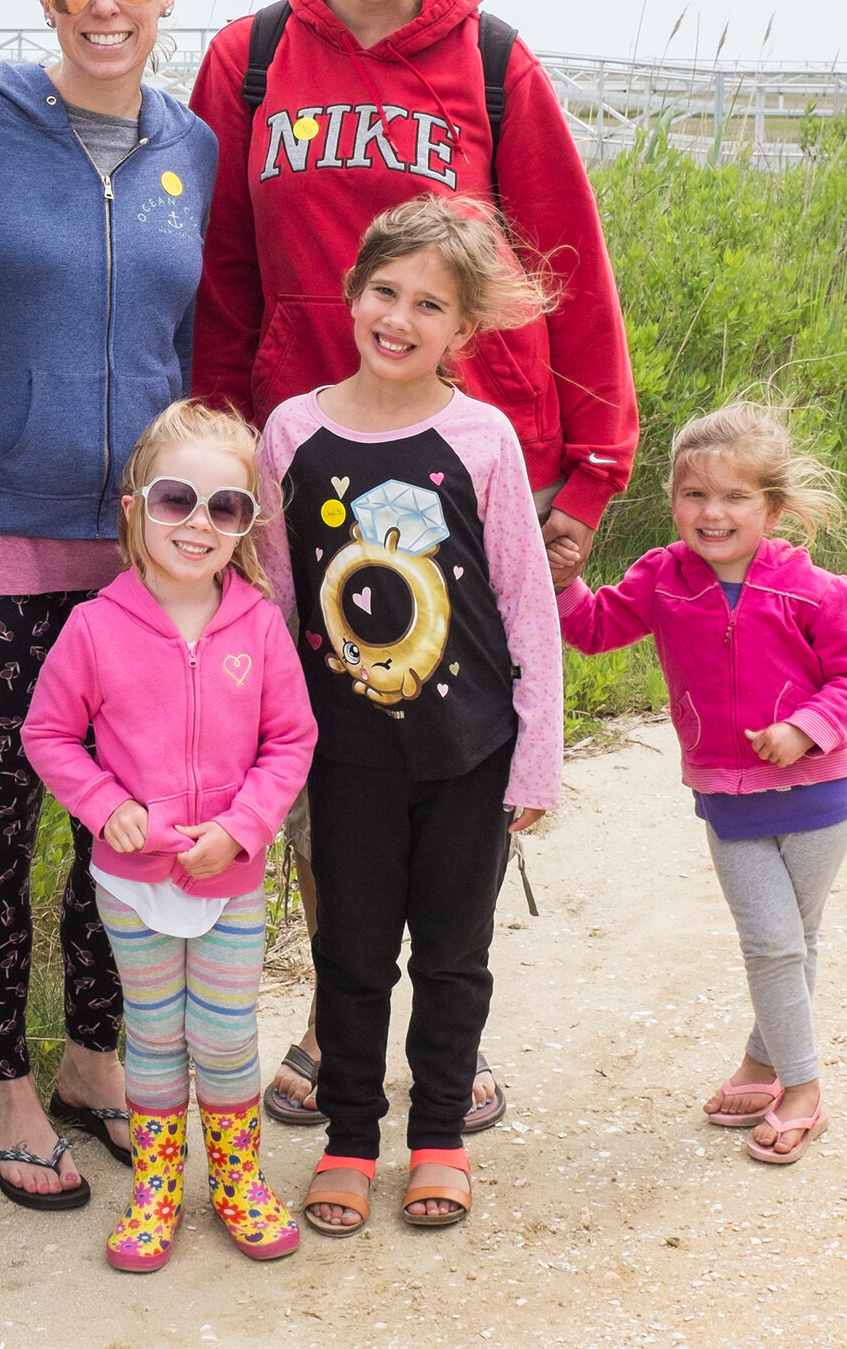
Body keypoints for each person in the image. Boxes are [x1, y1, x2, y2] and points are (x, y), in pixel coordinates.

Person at [187, 0, 638, 1131]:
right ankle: (341, 1027)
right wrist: (219, 466)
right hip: (301, 478)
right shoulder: (251, 57)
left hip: (461, 481)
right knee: (328, 758)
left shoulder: (493, 67)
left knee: (451, 754)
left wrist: (588, 476)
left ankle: (452, 1032)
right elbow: (221, 272)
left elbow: (571, 274)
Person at [0, 0, 216, 1209]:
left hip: (138, 552)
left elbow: (186, 337)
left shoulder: (190, 145)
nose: (104, 2)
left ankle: (96, 1059)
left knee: (124, 816)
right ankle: (5, 1088)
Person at [254, 197, 565, 1234]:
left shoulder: (480, 437)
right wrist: (277, 751)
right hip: (344, 757)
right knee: (346, 953)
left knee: (450, 952)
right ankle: (348, 1137)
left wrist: (534, 763)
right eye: (384, 290)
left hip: (466, 752)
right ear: (351, 294)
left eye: (428, 303)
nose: (399, 316)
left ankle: (437, 1132)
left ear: (462, 331)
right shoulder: (292, 433)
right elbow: (277, 610)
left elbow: (524, 604)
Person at [22, 400, 315, 1270]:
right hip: (131, 881)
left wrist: (243, 826)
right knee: (151, 1034)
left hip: (229, 876)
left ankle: (237, 1181)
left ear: (247, 524)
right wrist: (103, 802)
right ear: (133, 505)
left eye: (225, 508)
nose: (198, 524)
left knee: (224, 1036)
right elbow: (47, 734)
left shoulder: (258, 626)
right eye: (176, 499)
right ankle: (156, 1186)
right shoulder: (94, 627)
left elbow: (290, 739)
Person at [555, 402, 847, 1165]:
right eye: (694, 494)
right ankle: (792, 1080)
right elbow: (596, 628)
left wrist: (807, 725)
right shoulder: (662, 579)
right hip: (728, 799)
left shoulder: (816, 590)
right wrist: (565, 583)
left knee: (791, 944)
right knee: (773, 943)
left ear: (770, 506)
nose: (712, 512)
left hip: (819, 800)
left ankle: (779, 1075)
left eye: (735, 497)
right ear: (672, 501)